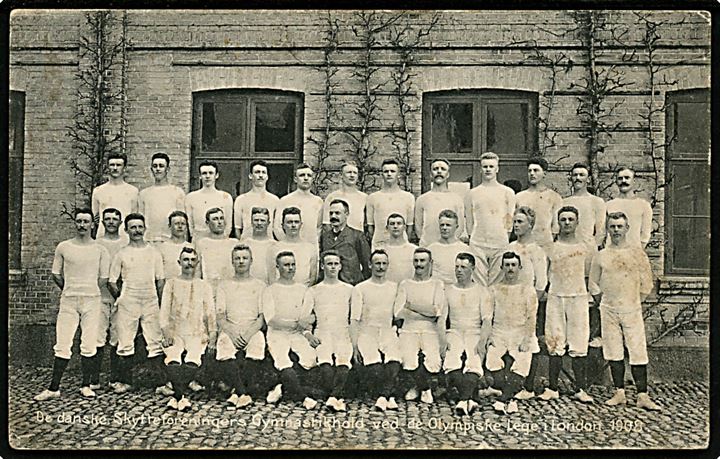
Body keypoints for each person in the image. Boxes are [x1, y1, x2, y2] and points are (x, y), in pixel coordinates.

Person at [35, 208, 110, 401]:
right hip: (69, 300)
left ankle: (86, 385)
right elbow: (56, 274)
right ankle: (54, 388)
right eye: (79, 221)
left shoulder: (100, 249)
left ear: (92, 224)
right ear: (75, 224)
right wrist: (70, 288)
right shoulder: (64, 247)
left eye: (86, 222)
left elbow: (103, 278)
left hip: (92, 301)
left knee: (89, 342)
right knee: (63, 342)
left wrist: (88, 289)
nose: (82, 225)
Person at [589, 212, 661, 411]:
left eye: (620, 226)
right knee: (613, 350)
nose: (616, 230)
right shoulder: (602, 254)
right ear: (608, 229)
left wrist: (635, 301)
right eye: (612, 226)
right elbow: (593, 282)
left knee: (637, 350)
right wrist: (601, 300)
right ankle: (619, 392)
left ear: (627, 228)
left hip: (631, 308)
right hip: (609, 309)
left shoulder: (637, 254)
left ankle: (642, 395)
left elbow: (647, 284)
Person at [537, 206, 593, 403]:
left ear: (577, 222)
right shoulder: (551, 247)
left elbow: (590, 275)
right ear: (558, 222)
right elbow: (545, 274)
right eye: (563, 219)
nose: (567, 223)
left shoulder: (585, 247)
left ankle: (580, 389)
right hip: (556, 297)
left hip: (578, 297)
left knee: (579, 341)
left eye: (571, 219)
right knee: (555, 341)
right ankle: (552, 387)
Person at [108, 213, 166, 394]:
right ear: (126, 230)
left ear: (145, 229)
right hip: (129, 299)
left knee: (155, 340)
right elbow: (111, 281)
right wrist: (122, 297)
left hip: (150, 299)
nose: (137, 231)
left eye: (140, 227)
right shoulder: (122, 253)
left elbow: (160, 280)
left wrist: (158, 301)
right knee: (125, 340)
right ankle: (126, 381)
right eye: (133, 227)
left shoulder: (154, 252)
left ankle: (161, 384)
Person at [159, 247, 217, 411]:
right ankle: (181, 396)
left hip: (197, 332)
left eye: (192, 260)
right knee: (173, 356)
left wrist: (212, 334)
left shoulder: (204, 286)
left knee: (194, 357)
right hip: (176, 331)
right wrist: (166, 332)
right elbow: (164, 312)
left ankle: (177, 396)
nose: (189, 264)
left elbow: (210, 313)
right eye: (186, 260)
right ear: (179, 262)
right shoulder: (171, 284)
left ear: (197, 263)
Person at [262, 252, 320, 410]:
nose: (290, 268)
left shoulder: (303, 290)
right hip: (277, 334)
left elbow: (306, 317)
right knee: (283, 361)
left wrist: (306, 332)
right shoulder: (270, 290)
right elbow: (272, 320)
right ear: (278, 267)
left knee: (310, 360)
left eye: (293, 265)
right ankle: (304, 398)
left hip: (297, 334)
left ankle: (282, 387)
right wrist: (298, 323)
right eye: (286, 265)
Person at [485, 252, 538, 415]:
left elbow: (531, 316)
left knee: (522, 363)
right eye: (507, 265)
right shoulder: (493, 289)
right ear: (501, 267)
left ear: (519, 268)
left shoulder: (528, 290)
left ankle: (504, 400)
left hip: (520, 332)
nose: (510, 268)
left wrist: (526, 339)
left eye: (513, 265)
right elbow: (488, 316)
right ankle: (511, 398)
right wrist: (489, 338)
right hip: (499, 331)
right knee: (492, 361)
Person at [214, 244, 267, 409]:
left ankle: (237, 392)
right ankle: (244, 393)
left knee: (257, 346)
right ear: (232, 262)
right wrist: (233, 332)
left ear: (251, 261)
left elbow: (262, 317)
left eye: (245, 258)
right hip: (231, 328)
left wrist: (249, 333)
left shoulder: (260, 285)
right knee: (224, 348)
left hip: (252, 328)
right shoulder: (224, 285)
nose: (241, 262)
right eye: (237, 258)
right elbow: (220, 316)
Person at [441, 253, 493, 416]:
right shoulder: (448, 290)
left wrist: (482, 342)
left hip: (474, 331)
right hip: (455, 331)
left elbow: (486, 320)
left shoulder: (481, 291)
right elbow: (442, 318)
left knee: (474, 360)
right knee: (451, 360)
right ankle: (469, 398)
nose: (459, 271)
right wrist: (443, 341)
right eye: (456, 267)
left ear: (472, 269)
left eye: (463, 267)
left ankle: (463, 400)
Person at [350, 249, 402, 412]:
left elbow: (398, 315)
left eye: (384, 264)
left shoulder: (394, 287)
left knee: (394, 360)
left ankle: (382, 397)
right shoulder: (360, 288)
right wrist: (354, 345)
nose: (380, 267)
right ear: (370, 265)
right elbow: (355, 319)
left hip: (387, 331)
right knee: (375, 365)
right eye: (377, 263)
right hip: (367, 332)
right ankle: (388, 396)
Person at [302, 251, 354, 412]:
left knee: (343, 360)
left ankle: (333, 397)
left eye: (336, 263)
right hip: (322, 332)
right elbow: (305, 317)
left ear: (340, 266)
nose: (332, 267)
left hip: (343, 331)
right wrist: (308, 335)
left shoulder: (349, 289)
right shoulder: (313, 290)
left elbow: (355, 316)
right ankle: (336, 397)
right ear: (323, 266)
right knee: (325, 362)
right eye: (329, 264)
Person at [505, 207, 548, 400]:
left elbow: (541, 282)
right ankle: (510, 383)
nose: (516, 225)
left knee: (531, 342)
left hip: (528, 301)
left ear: (530, 225)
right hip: (509, 302)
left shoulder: (536, 250)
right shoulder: (510, 247)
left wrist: (532, 305)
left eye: (520, 222)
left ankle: (529, 387)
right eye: (514, 222)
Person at [394, 248, 445, 404]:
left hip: (430, 329)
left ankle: (419, 387)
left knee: (432, 359)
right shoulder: (405, 284)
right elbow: (398, 312)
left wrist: (412, 306)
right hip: (409, 328)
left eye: (423, 261)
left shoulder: (437, 284)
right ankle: (423, 388)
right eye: (416, 261)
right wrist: (426, 311)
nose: (419, 264)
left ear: (430, 263)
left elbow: (437, 310)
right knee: (408, 358)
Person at [464, 152, 516, 285]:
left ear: (497, 169)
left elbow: (509, 219)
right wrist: (472, 238)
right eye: (485, 166)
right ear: (480, 169)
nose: (488, 169)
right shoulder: (472, 193)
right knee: (479, 282)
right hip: (478, 243)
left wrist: (505, 237)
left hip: (500, 242)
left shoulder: (507, 192)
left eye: (491, 166)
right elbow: (469, 220)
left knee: (497, 283)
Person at [94, 208, 129, 389]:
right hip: (101, 296)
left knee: (117, 336)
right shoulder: (96, 244)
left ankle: (115, 378)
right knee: (98, 336)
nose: (111, 222)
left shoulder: (126, 242)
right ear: (103, 223)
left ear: (120, 223)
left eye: (115, 219)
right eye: (107, 219)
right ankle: (94, 379)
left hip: (121, 296)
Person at [415, 158, 466, 246]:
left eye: (443, 169)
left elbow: (460, 227)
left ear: (448, 174)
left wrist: (449, 244)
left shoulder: (456, 199)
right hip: (428, 247)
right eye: (435, 169)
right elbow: (418, 227)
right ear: (431, 174)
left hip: (449, 247)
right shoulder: (422, 199)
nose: (439, 172)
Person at [515, 157, 563, 252]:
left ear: (544, 174)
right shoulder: (519, 197)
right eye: (530, 171)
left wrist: (549, 242)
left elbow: (556, 226)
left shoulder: (554, 197)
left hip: (545, 246)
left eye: (536, 170)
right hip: (524, 246)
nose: (532, 173)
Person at [319, 199, 371, 285]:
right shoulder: (324, 237)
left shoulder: (357, 236)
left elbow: (367, 264)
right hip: (330, 284)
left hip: (351, 284)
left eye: (337, 213)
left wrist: (359, 283)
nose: (333, 216)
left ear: (346, 214)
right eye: (331, 213)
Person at [366, 159, 415, 248]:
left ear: (398, 174)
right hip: (379, 244)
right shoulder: (372, 198)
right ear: (382, 174)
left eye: (392, 171)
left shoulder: (408, 197)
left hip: (401, 244)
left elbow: (409, 227)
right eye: (386, 171)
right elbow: (370, 227)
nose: (389, 174)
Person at [138, 152, 185, 243]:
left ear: (167, 169)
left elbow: (181, 221)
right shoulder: (144, 194)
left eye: (161, 166)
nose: (158, 169)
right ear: (151, 169)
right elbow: (141, 220)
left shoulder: (177, 192)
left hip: (170, 241)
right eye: (155, 166)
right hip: (149, 240)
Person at [427, 209, 483, 286]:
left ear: (456, 227)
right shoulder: (431, 249)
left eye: (448, 225)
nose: (444, 228)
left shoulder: (465, 249)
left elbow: (473, 275)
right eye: (442, 225)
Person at [273, 163, 323, 245]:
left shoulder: (318, 201)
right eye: (302, 175)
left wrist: (313, 245)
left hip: (310, 247)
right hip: (290, 249)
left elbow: (319, 228)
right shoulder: (285, 201)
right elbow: (277, 228)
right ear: (295, 179)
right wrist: (288, 244)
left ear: (312, 179)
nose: (306, 178)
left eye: (309, 175)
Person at [91, 153, 139, 238]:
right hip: (103, 238)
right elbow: (96, 218)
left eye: (119, 165)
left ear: (124, 168)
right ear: (108, 167)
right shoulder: (98, 191)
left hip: (125, 238)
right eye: (112, 165)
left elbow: (134, 219)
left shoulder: (133, 191)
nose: (115, 168)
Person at [268, 207, 318, 287]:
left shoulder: (310, 248)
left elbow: (313, 278)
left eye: (296, 222)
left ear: (301, 224)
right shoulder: (274, 248)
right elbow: (271, 278)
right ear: (283, 225)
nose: (293, 225)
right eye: (289, 222)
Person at [185, 161, 233, 241]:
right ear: (200, 176)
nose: (207, 176)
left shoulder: (226, 197)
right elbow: (190, 225)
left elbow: (228, 225)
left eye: (211, 173)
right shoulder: (191, 197)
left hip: (219, 241)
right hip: (198, 241)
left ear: (216, 175)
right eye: (204, 173)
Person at [605, 167, 653, 248]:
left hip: (634, 253)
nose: (623, 181)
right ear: (616, 181)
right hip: (612, 253)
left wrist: (637, 251)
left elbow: (645, 234)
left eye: (627, 178)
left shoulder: (644, 205)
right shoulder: (608, 205)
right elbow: (603, 233)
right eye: (620, 178)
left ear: (634, 181)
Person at [562, 163, 606, 251]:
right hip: (568, 248)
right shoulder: (564, 202)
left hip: (588, 249)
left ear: (588, 179)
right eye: (575, 175)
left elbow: (600, 231)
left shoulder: (597, 202)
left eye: (581, 175)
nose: (578, 178)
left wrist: (594, 248)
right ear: (571, 178)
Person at [233, 160, 280, 240]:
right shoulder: (241, 200)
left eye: (263, 172)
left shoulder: (275, 200)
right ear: (250, 176)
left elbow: (277, 228)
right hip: (247, 245)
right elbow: (237, 228)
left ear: (267, 177)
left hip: (268, 245)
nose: (260, 175)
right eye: (257, 172)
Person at [195, 208, 239, 292]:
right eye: (215, 219)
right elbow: (197, 270)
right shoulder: (202, 243)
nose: (219, 222)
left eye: (221, 218)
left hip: (230, 288)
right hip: (209, 288)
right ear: (207, 223)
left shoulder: (234, 243)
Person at [322, 161, 367, 232]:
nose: (352, 175)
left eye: (355, 173)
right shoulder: (332, 197)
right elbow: (326, 223)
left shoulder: (364, 197)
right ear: (341, 175)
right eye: (349, 172)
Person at [374, 214, 416, 284]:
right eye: (392, 224)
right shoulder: (380, 251)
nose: (395, 226)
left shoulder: (413, 250)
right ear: (387, 228)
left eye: (399, 223)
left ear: (404, 227)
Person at [154, 210, 193, 280]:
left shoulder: (192, 247)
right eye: (177, 224)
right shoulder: (162, 248)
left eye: (183, 224)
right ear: (169, 226)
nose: (180, 226)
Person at [242, 207, 276, 284]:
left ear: (268, 223)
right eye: (256, 220)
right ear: (251, 222)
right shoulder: (244, 244)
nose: (259, 223)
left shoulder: (275, 245)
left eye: (262, 220)